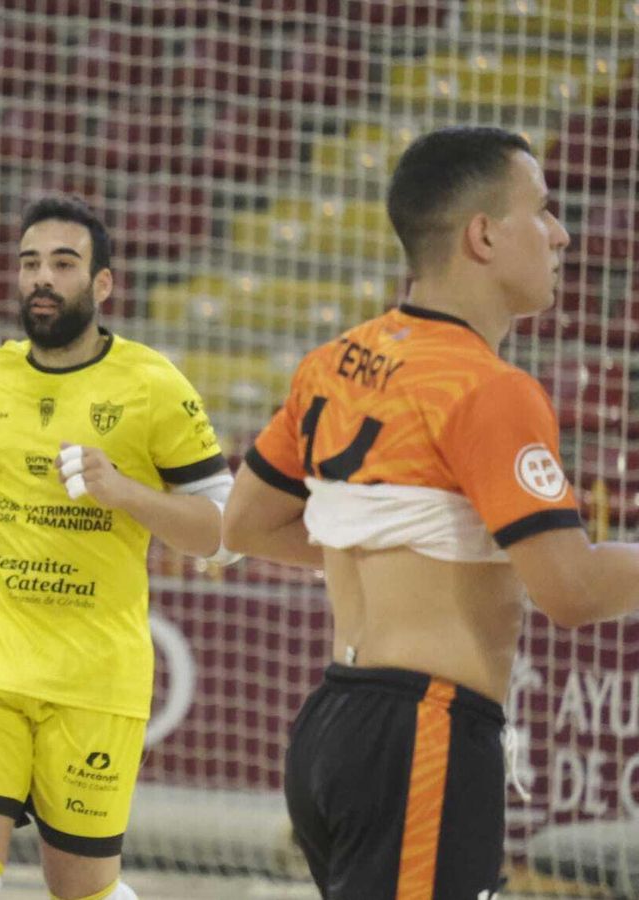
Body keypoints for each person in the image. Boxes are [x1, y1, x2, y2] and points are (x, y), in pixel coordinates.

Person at [221, 125, 639, 900]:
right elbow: (572, 592)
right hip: (425, 732)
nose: (562, 233)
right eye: (543, 211)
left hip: (332, 726)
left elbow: (245, 526)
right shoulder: (489, 389)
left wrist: (402, 556)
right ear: (482, 235)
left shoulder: (334, 362)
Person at [0, 197, 239, 900]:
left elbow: (224, 533)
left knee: (85, 892)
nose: (42, 278)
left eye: (63, 264)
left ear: (103, 284)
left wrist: (125, 492)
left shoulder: (153, 386)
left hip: (95, 677)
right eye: (30, 263)